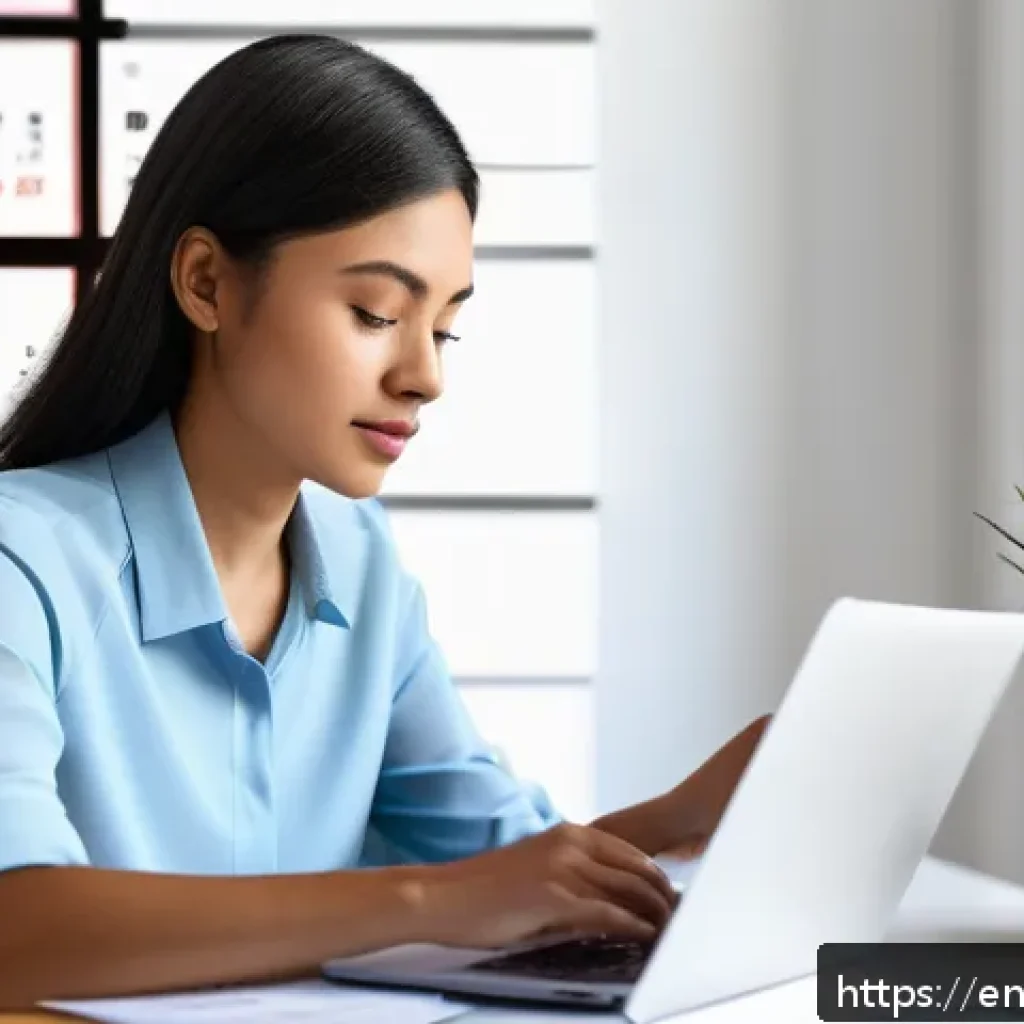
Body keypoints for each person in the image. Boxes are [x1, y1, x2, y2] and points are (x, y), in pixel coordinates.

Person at [0, 35, 769, 1008]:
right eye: (374, 312)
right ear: (206, 282)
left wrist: (681, 815)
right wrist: (421, 899)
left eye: (442, 327)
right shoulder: (21, 559)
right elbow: (15, 926)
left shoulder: (359, 566)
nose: (425, 376)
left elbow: (502, 873)